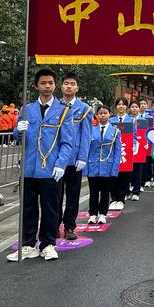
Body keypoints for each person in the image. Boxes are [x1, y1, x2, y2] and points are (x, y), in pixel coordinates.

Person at [7, 69, 73, 262]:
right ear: (36, 85)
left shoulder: (63, 111)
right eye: (43, 83)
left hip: (51, 169)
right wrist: (17, 131)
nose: (47, 86)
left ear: (55, 85)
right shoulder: (26, 109)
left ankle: (47, 244)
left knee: (50, 208)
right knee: (28, 208)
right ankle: (28, 245)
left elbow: (67, 142)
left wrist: (61, 164)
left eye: (50, 83)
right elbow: (18, 137)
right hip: (29, 167)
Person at [58, 72, 93, 240]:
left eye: (72, 83)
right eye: (66, 83)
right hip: (56, 159)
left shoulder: (84, 109)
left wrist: (83, 157)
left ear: (77, 88)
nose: (69, 86)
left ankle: (69, 227)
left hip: (74, 160)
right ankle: (54, 224)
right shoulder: (55, 106)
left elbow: (86, 135)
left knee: (73, 195)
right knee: (54, 195)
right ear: (61, 86)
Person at [85, 105, 121, 225]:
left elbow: (117, 151)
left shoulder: (115, 131)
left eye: (105, 113)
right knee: (93, 191)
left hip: (107, 166)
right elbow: (87, 149)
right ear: (96, 115)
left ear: (110, 114)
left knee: (105, 192)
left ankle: (102, 214)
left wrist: (115, 169)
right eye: (100, 113)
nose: (103, 115)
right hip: (93, 165)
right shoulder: (91, 129)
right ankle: (93, 214)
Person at [108, 97, 132, 210]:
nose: (121, 106)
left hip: (125, 151)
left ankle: (121, 198)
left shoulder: (131, 120)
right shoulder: (111, 120)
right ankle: (114, 198)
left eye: (123, 104)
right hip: (112, 152)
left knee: (124, 176)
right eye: (119, 104)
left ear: (126, 106)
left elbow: (135, 136)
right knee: (113, 175)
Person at [126, 100, 142, 201]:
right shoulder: (126, 119)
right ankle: (126, 191)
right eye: (132, 107)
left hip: (139, 147)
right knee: (127, 170)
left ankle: (136, 191)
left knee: (138, 169)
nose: (134, 108)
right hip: (127, 147)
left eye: (136, 107)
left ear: (139, 108)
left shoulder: (143, 120)